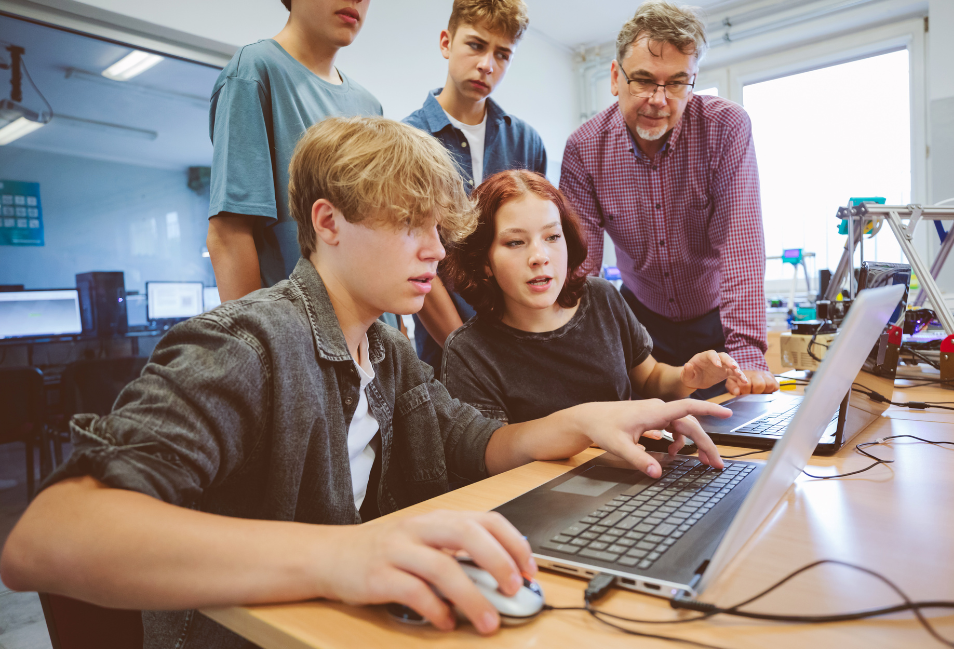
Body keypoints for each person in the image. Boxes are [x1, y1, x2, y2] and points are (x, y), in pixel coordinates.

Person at [0, 117, 730, 648]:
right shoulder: (245, 343)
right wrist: (342, 553)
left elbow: (481, 442)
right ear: (329, 223)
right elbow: (46, 538)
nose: (434, 249)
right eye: (410, 222)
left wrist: (593, 418)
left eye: (437, 226)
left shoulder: (386, 350)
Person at [559, 0, 778, 398]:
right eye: (643, 80)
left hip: (716, 325)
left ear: (692, 79)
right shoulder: (584, 149)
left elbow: (741, 245)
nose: (659, 100)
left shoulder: (725, 129)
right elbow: (579, 265)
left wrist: (746, 352)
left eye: (676, 83)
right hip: (637, 323)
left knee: (727, 446)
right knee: (643, 447)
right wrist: (569, 351)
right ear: (615, 77)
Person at [442, 169, 746, 431]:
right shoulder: (469, 352)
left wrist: (687, 376)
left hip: (630, 476)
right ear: (483, 260)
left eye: (552, 237)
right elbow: (494, 458)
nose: (539, 257)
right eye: (515, 242)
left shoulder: (601, 298)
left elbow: (650, 377)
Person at [403, 0, 547, 376]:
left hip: (524, 343)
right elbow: (416, 259)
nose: (487, 64)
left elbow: (540, 242)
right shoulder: (409, 141)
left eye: (502, 54)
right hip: (444, 353)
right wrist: (465, 352)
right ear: (446, 42)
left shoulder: (526, 142)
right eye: (476, 45)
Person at [206, 0, 381, 301]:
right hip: (297, 334)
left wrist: (397, 335)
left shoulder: (369, 106)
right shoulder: (254, 72)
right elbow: (229, 235)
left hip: (375, 332)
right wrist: (260, 343)